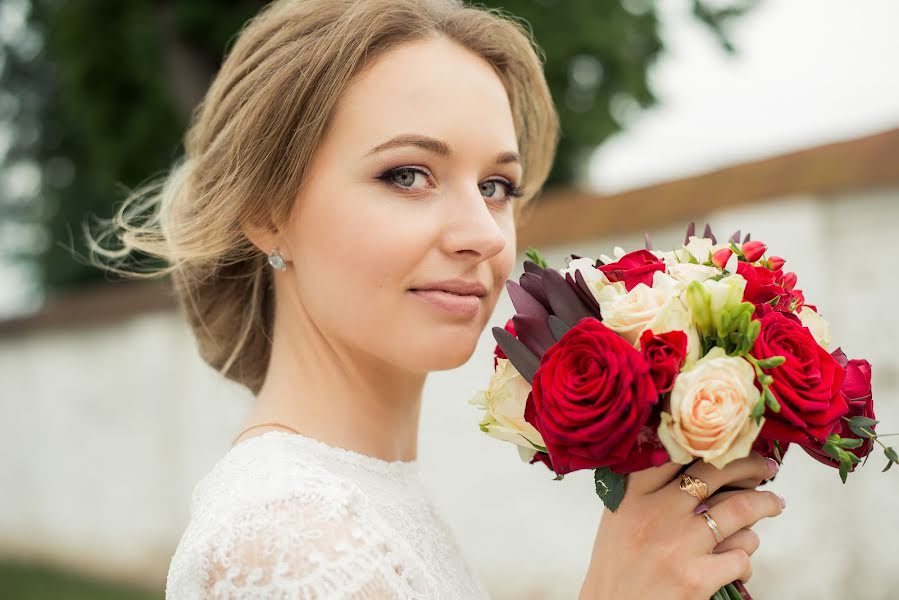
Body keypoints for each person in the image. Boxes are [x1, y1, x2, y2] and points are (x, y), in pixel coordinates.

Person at [89, 0, 784, 598]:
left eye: (496, 186)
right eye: (408, 174)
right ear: (269, 211)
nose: (483, 234)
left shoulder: (360, 499)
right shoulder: (287, 537)